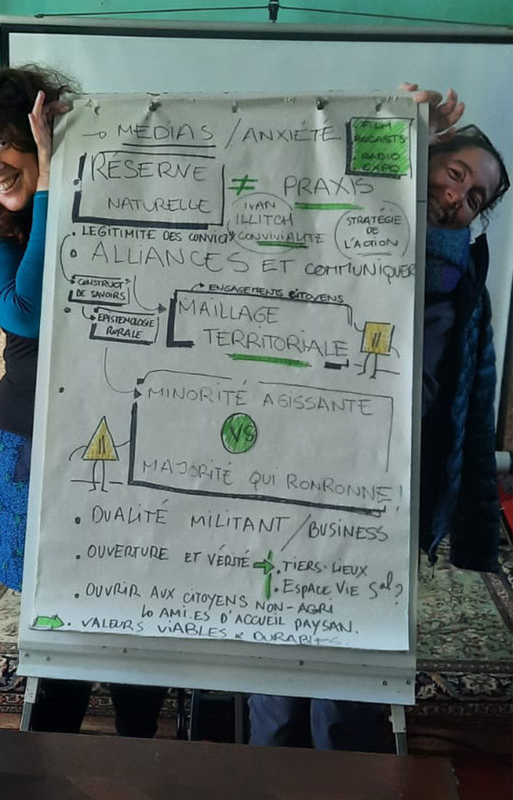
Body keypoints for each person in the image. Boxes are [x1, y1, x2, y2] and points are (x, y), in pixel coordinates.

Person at [248, 86, 510, 750]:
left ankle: (343, 774)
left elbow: (464, 410)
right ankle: (270, 772)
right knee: (278, 639)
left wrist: (468, 520)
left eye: (475, 196)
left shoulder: (461, 283)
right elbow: (323, 168)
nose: (458, 195)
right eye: (455, 172)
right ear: (430, 157)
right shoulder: (335, 220)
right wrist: (404, 125)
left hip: (386, 487)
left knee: (353, 653)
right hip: (288, 462)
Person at [0, 65, 166, 736]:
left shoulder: (116, 190)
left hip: (135, 424)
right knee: (57, 610)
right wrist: (53, 182)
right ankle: (46, 760)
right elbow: (26, 310)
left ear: (39, 137)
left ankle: (141, 747)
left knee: (133, 603)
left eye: (3, 144)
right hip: (38, 433)